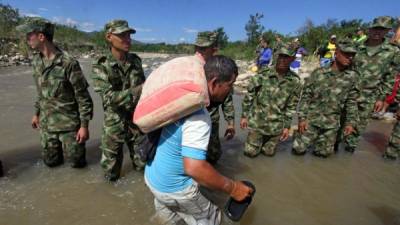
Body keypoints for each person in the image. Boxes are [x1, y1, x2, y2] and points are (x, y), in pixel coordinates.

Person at [144, 55, 253, 225]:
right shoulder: (199, 117)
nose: (230, 90)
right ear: (214, 83)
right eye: (229, 85)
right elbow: (194, 168)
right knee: (213, 219)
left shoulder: (181, 102)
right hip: (175, 188)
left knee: (167, 221)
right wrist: (233, 188)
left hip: (153, 179)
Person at [17, 18, 93, 168]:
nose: (27, 38)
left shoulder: (68, 63)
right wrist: (36, 112)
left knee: (78, 166)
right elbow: (41, 91)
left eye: (29, 34)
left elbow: (83, 97)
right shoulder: (36, 61)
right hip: (46, 127)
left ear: (41, 36)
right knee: (51, 164)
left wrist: (84, 126)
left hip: (69, 128)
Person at [91, 19, 146, 181]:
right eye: (122, 36)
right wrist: (138, 89)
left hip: (137, 123)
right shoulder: (101, 65)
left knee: (144, 168)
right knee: (111, 174)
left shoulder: (136, 61)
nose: (128, 39)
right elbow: (109, 98)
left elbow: (145, 93)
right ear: (109, 37)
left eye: (129, 35)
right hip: (114, 126)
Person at [341, 16, 400, 153]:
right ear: (369, 29)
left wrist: (382, 98)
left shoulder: (393, 51)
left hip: (369, 96)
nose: (377, 32)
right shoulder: (356, 47)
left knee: (357, 128)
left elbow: (390, 76)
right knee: (338, 124)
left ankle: (347, 155)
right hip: (347, 93)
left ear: (388, 31)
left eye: (382, 29)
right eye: (375, 29)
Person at [292, 39, 359, 157]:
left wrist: (350, 123)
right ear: (336, 53)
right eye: (346, 54)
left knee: (323, 154)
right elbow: (306, 96)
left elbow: (351, 102)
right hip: (311, 120)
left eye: (352, 55)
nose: (350, 58)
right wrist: (302, 118)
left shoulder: (352, 77)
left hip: (331, 124)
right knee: (298, 150)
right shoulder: (318, 73)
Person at [240, 46, 301, 157]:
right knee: (250, 154)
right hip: (257, 123)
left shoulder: (295, 81)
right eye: (280, 56)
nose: (282, 59)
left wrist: (287, 127)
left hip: (276, 126)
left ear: (292, 59)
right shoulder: (264, 74)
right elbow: (250, 94)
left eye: (286, 57)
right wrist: (244, 115)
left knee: (268, 154)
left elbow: (291, 107)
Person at [193, 31, 236, 164]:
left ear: (214, 49)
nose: (201, 52)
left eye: (205, 48)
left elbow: (227, 99)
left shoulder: (221, 69)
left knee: (213, 156)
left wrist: (230, 123)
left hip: (212, 120)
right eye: (199, 48)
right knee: (192, 157)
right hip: (192, 121)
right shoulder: (190, 69)